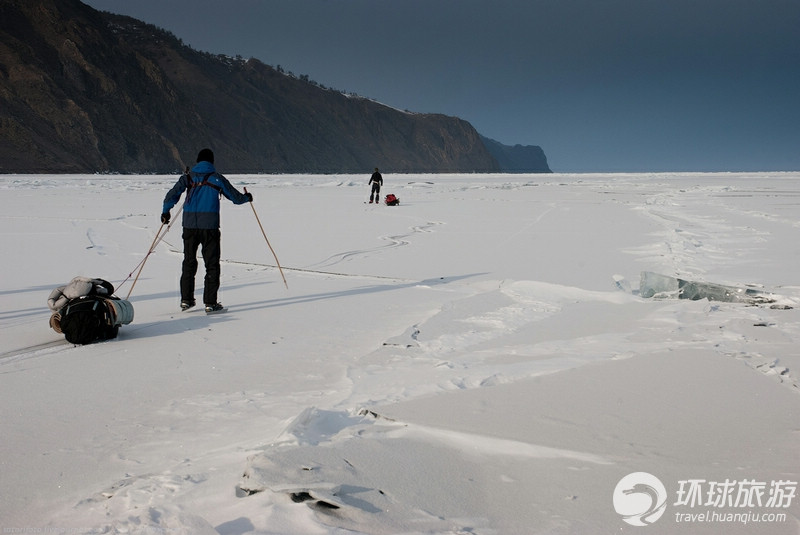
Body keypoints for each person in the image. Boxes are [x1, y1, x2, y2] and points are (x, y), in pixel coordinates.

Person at [161, 148, 252, 312]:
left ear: (198, 161)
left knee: (188, 262)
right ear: (211, 161)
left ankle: (186, 300)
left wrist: (165, 212)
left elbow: (171, 195)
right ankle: (210, 303)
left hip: (189, 226)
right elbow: (236, 198)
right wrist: (247, 198)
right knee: (212, 264)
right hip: (209, 227)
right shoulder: (217, 178)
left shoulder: (188, 177)